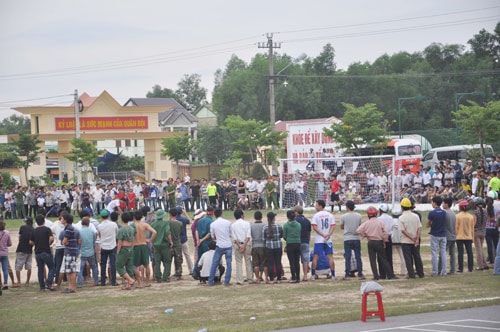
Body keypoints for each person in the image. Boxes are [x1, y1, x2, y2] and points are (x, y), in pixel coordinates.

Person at [357, 207, 397, 280]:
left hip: (371, 242)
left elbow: (358, 230)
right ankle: (390, 275)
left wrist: (365, 235)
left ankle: (376, 276)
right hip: (379, 242)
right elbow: (386, 232)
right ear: (376, 214)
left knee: (372, 260)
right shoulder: (380, 222)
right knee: (384, 259)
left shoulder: (366, 223)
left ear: (368, 215)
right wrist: (385, 240)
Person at [310, 200, 336, 280]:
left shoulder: (316, 216)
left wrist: (322, 235)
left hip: (319, 240)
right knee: (330, 257)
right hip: (328, 239)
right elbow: (333, 226)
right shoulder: (330, 215)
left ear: (320, 206)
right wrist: (329, 234)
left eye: (316, 205)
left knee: (315, 257)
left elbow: (314, 227)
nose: (315, 207)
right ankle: (333, 275)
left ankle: (313, 275)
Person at [399, 198, 424, 279]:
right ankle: (420, 273)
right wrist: (417, 239)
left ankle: (411, 274)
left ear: (402, 207)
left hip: (406, 241)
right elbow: (419, 228)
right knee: (417, 256)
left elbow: (403, 230)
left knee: (408, 258)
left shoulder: (401, 218)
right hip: (416, 240)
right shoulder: (416, 216)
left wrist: (412, 238)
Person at [29, 215, 56, 291]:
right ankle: (48, 282)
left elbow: (30, 242)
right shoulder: (47, 229)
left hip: (37, 252)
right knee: (51, 267)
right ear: (44, 220)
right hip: (46, 251)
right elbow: (51, 238)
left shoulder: (34, 231)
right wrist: (49, 243)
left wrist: (36, 243)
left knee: (40, 269)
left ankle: (42, 287)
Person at [207, 207, 233, 286]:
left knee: (214, 264)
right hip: (228, 245)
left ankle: (210, 281)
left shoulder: (213, 224)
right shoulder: (228, 222)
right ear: (222, 214)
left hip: (219, 245)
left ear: (214, 215)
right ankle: (227, 281)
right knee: (229, 264)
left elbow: (212, 236)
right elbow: (230, 234)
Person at [340, 200, 364, 280]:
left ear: (347, 207)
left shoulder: (343, 216)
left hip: (347, 238)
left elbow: (342, 227)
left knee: (348, 257)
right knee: (358, 256)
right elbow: (360, 226)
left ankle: (347, 274)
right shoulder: (359, 215)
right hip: (356, 238)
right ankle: (360, 274)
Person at [132, 210, 157, 288]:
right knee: (146, 265)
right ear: (142, 217)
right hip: (144, 245)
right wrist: (150, 240)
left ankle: (139, 283)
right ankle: (147, 282)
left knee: (136, 266)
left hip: (136, 246)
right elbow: (154, 232)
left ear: (134, 217)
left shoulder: (132, 226)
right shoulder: (144, 224)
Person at [150, 210, 173, 283]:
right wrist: (171, 241)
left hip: (156, 245)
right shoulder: (165, 223)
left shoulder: (153, 224)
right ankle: (165, 277)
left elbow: (151, 235)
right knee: (167, 261)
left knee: (157, 262)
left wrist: (152, 243)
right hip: (165, 245)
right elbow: (168, 232)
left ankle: (158, 277)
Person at [97, 209, 119, 286]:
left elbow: (99, 235)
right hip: (112, 246)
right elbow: (117, 234)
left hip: (104, 246)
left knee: (103, 265)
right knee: (113, 264)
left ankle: (103, 281)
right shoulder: (113, 224)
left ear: (101, 217)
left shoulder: (99, 226)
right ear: (108, 216)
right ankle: (113, 281)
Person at [426, 196, 447, 277]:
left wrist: (431, 224)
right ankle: (444, 271)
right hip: (443, 234)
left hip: (435, 234)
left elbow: (427, 224)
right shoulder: (444, 212)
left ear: (434, 203)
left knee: (434, 253)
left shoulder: (432, 213)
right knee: (443, 253)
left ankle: (435, 271)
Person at [116, 212, 137, 290]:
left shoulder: (121, 230)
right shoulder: (132, 228)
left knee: (119, 266)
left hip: (124, 249)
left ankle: (130, 280)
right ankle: (129, 283)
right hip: (130, 248)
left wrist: (118, 251)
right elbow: (134, 238)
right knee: (129, 266)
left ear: (121, 219)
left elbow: (120, 242)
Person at [61, 213, 81, 293]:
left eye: (62, 218)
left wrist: (64, 242)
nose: (61, 220)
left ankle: (73, 287)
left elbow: (64, 241)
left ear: (65, 220)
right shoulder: (70, 228)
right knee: (69, 271)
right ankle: (70, 287)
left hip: (70, 251)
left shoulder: (68, 228)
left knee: (71, 271)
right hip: (72, 251)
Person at [231, 208, 252, 285]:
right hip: (247, 244)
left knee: (238, 262)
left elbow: (234, 237)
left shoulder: (233, 225)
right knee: (248, 261)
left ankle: (240, 280)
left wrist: (240, 246)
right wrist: (244, 245)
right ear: (242, 215)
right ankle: (250, 278)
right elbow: (248, 236)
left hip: (238, 245)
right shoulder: (247, 223)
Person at [193, 206, 214, 279]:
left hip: (200, 242)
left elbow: (197, 231)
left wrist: (198, 240)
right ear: (212, 213)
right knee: (207, 258)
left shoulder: (200, 221)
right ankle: (205, 273)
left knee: (199, 258)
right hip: (207, 242)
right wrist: (202, 240)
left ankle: (195, 273)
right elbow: (209, 234)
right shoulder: (211, 221)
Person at [77, 216, 98, 287]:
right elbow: (94, 241)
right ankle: (96, 281)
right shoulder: (92, 231)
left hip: (82, 252)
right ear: (89, 223)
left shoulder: (79, 232)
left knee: (80, 268)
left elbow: (78, 242)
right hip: (91, 251)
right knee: (94, 267)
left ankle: (80, 282)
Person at [263, 211, 283, 284]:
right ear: (274, 218)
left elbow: (263, 238)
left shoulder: (265, 227)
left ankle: (271, 279)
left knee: (270, 263)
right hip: (278, 246)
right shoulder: (279, 226)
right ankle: (279, 278)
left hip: (269, 246)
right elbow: (281, 235)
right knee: (278, 262)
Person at [14, 216, 34, 287]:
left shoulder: (22, 227)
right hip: (29, 249)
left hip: (21, 249)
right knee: (29, 266)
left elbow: (20, 237)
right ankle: (27, 282)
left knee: (18, 266)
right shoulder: (33, 229)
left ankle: (19, 282)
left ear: (26, 222)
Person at [456, 200, 475, 273]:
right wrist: (472, 237)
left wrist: (456, 235)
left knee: (460, 253)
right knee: (470, 252)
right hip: (468, 237)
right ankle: (470, 268)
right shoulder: (471, 217)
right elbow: (472, 228)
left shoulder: (457, 216)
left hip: (459, 237)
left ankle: (460, 268)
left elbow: (456, 227)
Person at [283, 210, 301, 283]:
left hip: (290, 243)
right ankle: (298, 277)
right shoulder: (298, 224)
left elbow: (284, 236)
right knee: (297, 261)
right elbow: (299, 233)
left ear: (287, 217)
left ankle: (293, 277)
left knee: (292, 261)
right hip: (297, 243)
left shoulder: (286, 225)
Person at [294, 205, 312, 281]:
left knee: (296, 260)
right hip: (305, 241)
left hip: (297, 242)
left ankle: (296, 275)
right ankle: (305, 276)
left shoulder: (295, 221)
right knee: (305, 260)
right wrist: (308, 240)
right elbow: (309, 232)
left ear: (296, 212)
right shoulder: (307, 220)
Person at [440, 197, 456, 275]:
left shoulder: (444, 213)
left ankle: (439, 269)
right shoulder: (453, 213)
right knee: (452, 254)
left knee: (442, 254)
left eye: (443, 203)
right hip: (453, 236)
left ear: (446, 204)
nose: (442, 204)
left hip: (447, 236)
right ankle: (453, 269)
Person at [377, 203, 394, 279]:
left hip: (381, 238)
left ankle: (382, 274)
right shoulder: (391, 218)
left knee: (381, 257)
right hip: (389, 237)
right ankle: (390, 273)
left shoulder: (379, 219)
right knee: (389, 256)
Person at [176, 207, 194, 276]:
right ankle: (191, 270)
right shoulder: (183, 219)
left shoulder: (174, 219)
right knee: (187, 255)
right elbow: (190, 222)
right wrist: (185, 213)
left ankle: (178, 271)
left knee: (177, 256)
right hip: (184, 239)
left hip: (177, 241)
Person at [250, 211, 267, 284]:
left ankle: (257, 279)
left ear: (254, 217)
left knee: (256, 264)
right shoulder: (265, 225)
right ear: (261, 217)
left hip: (255, 246)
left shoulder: (251, 226)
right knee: (264, 263)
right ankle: (265, 277)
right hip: (263, 245)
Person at [167, 208, 184, 280]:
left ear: (170, 214)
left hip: (169, 244)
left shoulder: (167, 223)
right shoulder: (180, 223)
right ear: (176, 214)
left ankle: (167, 273)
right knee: (178, 260)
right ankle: (178, 273)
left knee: (168, 260)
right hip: (178, 243)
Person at [473, 197, 488, 270]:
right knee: (481, 248)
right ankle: (484, 263)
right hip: (483, 231)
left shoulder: (476, 212)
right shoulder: (485, 211)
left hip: (476, 232)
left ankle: (480, 265)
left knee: (478, 249)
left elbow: (474, 223)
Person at [390, 206, 406, 276]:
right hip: (400, 240)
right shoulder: (401, 220)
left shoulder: (390, 221)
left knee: (390, 257)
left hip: (392, 241)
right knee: (403, 257)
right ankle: (403, 271)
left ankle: (391, 271)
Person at [0, 220, 12, 290]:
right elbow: (9, 244)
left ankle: (0, 283)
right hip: (4, 253)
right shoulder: (6, 234)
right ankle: (6, 283)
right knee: (5, 269)